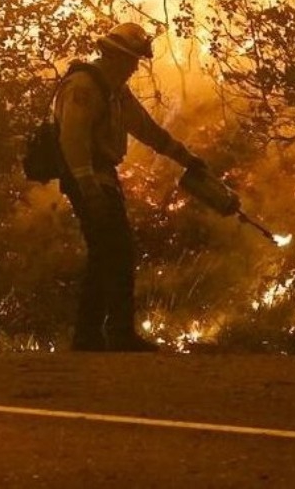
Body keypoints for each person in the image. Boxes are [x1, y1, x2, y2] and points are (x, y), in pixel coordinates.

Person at [55, 22, 206, 352]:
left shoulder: (113, 90)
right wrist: (88, 187)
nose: (134, 66)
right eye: (130, 59)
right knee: (116, 251)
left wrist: (186, 158)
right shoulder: (85, 86)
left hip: (102, 176)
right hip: (87, 178)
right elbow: (72, 138)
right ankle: (115, 333)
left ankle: (90, 335)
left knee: (106, 253)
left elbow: (147, 130)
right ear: (112, 55)